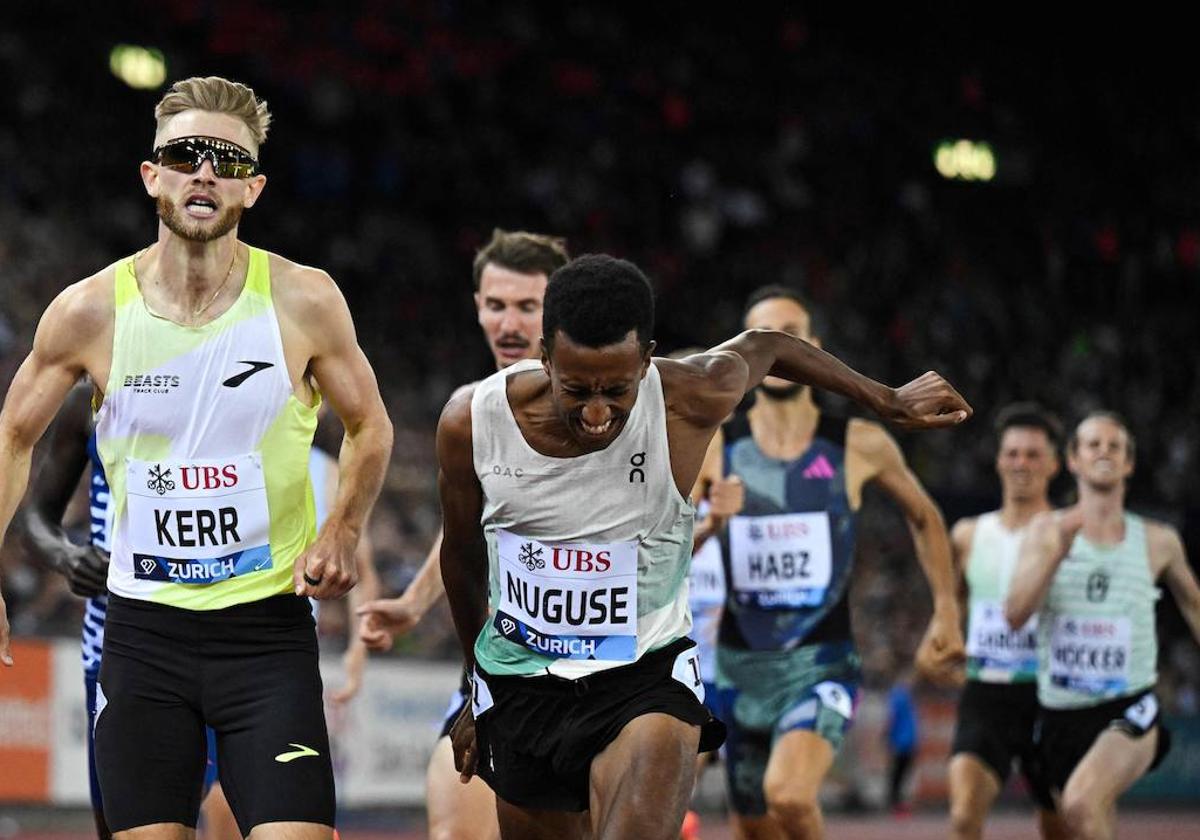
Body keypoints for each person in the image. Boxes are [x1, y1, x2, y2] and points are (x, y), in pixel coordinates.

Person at [438, 255, 971, 840]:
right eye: (577, 389)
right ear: (544, 356)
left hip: (643, 677)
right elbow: (462, 560)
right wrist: (474, 689)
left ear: (647, 360)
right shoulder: (473, 422)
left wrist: (886, 401)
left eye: (617, 389)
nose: (596, 414)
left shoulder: (688, 396)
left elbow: (769, 345)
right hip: (521, 682)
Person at [0, 76, 392, 840]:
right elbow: (14, 436)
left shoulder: (303, 300)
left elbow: (370, 425)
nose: (204, 172)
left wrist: (342, 528)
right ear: (153, 176)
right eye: (185, 155)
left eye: (225, 160)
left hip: (266, 636)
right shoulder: (87, 311)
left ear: (252, 189)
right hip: (142, 636)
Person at [715, 286, 965, 840]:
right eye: (766, 337)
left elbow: (924, 517)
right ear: (743, 351)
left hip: (821, 662)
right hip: (738, 668)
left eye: (793, 336)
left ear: (816, 350)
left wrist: (946, 610)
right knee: (753, 826)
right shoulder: (715, 444)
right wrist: (708, 522)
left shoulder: (857, 443)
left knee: (790, 795)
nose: (780, 350)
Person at [357, 228, 569, 840]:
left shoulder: (602, 409)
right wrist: (412, 604)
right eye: (495, 305)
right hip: (496, 672)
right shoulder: (474, 412)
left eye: (528, 307)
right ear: (476, 305)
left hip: (595, 677)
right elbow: (462, 532)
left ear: (558, 310)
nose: (508, 323)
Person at [1006, 412, 1200, 840]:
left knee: (1082, 803)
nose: (1104, 453)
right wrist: (1055, 555)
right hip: (1058, 714)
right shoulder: (1044, 531)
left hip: (1129, 706)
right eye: (1093, 445)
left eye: (1115, 446)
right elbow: (1015, 615)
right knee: (1082, 824)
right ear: (1073, 460)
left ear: (1129, 464)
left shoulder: (1158, 540)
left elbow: (1194, 606)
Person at [947, 403, 1068, 840]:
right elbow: (950, 610)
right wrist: (938, 647)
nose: (1021, 463)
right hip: (986, 695)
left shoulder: (1068, 533)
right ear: (998, 459)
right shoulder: (968, 534)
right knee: (963, 818)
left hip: (1053, 698)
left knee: (1060, 825)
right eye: (1013, 453)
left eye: (1033, 454)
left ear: (1055, 464)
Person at [885, 668, 919, 816]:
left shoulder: (905, 696)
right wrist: (887, 735)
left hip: (907, 741)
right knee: (898, 774)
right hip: (901, 741)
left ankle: (898, 803)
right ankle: (895, 803)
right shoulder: (899, 695)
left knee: (902, 774)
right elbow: (892, 717)